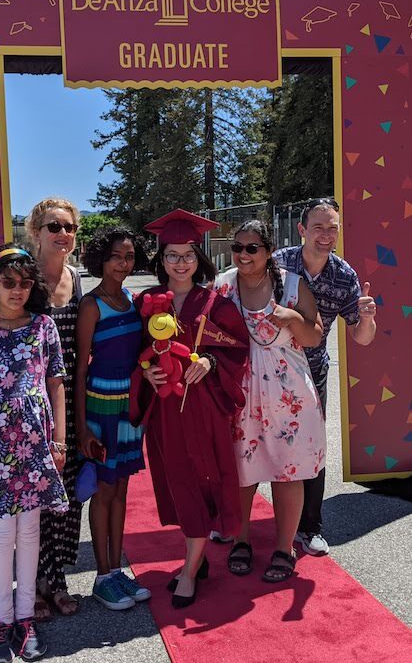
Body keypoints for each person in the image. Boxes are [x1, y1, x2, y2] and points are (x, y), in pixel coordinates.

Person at [0, 197, 83, 620]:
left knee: (61, 504)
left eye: (69, 226)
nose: (63, 234)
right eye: (54, 226)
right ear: (37, 232)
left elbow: (60, 371)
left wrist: (62, 436)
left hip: (54, 417)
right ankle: (20, 602)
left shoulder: (72, 285)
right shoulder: (6, 291)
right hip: (4, 431)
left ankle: (48, 585)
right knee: (16, 520)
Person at [130, 209, 249, 608]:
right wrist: (145, 374)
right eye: (172, 255)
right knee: (178, 481)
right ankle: (195, 560)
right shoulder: (145, 301)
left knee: (203, 480)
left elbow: (238, 347)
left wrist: (210, 362)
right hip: (165, 412)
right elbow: (135, 354)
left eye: (188, 255)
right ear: (160, 259)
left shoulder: (215, 302)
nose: (180, 263)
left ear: (199, 258)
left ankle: (189, 570)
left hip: (203, 410)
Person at [0, 245, 68, 663]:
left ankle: (26, 619)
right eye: (8, 283)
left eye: (25, 284)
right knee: (3, 535)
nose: (17, 291)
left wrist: (59, 441)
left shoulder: (43, 327)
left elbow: (56, 383)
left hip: (37, 445)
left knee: (30, 534)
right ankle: (2, 618)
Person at [214, 220, 325, 582]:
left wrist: (292, 317)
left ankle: (284, 547)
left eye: (252, 248)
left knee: (287, 469)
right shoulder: (224, 285)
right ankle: (240, 539)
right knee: (242, 470)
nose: (243, 255)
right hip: (241, 393)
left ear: (268, 251)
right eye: (238, 247)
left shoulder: (292, 285)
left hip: (288, 394)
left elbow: (314, 336)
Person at [274, 198, 376, 556]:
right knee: (262, 443)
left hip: (312, 373)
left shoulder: (344, 275)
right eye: (318, 227)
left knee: (313, 449)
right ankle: (238, 525)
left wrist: (366, 318)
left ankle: (310, 526)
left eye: (332, 228)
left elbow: (362, 339)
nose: (326, 235)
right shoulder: (278, 264)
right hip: (269, 371)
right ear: (302, 230)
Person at [76, 228, 151, 611]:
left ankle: (117, 568)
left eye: (129, 256)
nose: (124, 263)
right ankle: (102, 576)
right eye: (117, 256)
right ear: (101, 260)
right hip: (101, 405)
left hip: (130, 405)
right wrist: (81, 425)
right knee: (104, 491)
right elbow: (78, 369)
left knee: (121, 489)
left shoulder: (133, 300)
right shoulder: (92, 305)